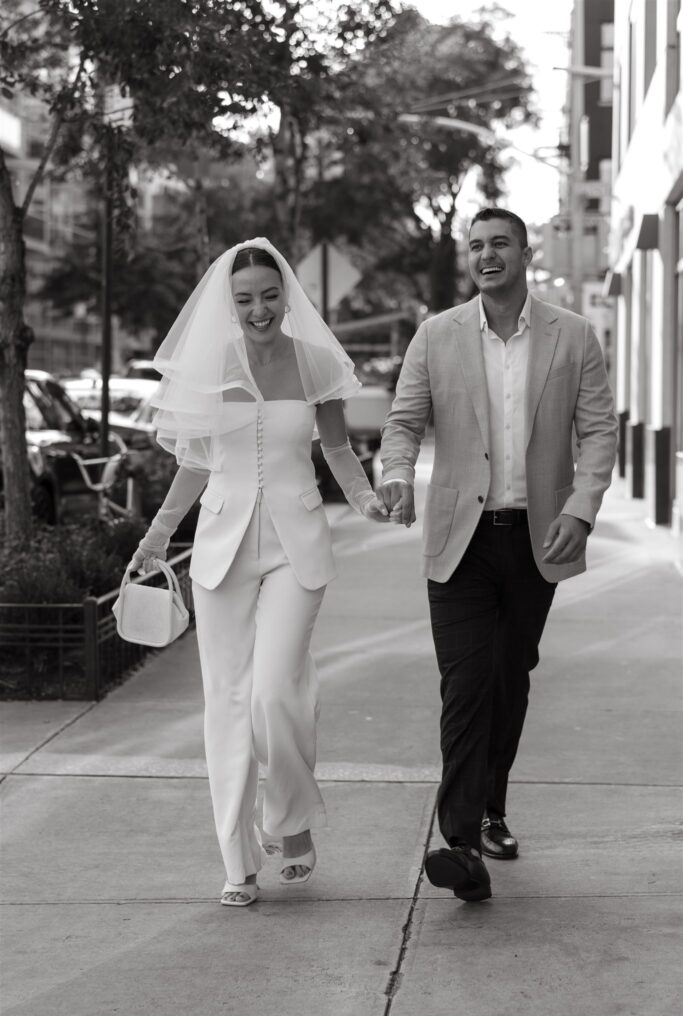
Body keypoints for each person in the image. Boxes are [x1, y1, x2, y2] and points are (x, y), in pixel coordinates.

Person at [129, 240, 387, 908]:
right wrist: (159, 534)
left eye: (270, 295)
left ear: (287, 295)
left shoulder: (316, 362)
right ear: (229, 303)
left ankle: (289, 824)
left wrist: (366, 500)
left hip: (296, 547)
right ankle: (237, 861)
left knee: (274, 691)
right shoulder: (213, 367)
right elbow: (194, 462)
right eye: (244, 299)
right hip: (221, 549)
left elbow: (336, 448)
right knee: (228, 704)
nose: (259, 309)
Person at [378, 208, 618, 902]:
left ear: (523, 252)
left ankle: (491, 810)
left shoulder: (571, 335)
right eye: (475, 246)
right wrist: (396, 474)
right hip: (461, 539)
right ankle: (458, 843)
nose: (485, 256)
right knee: (465, 685)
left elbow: (598, 431)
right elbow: (403, 422)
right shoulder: (436, 335)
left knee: (508, 683)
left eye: (498, 244)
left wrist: (580, 510)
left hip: (536, 537)